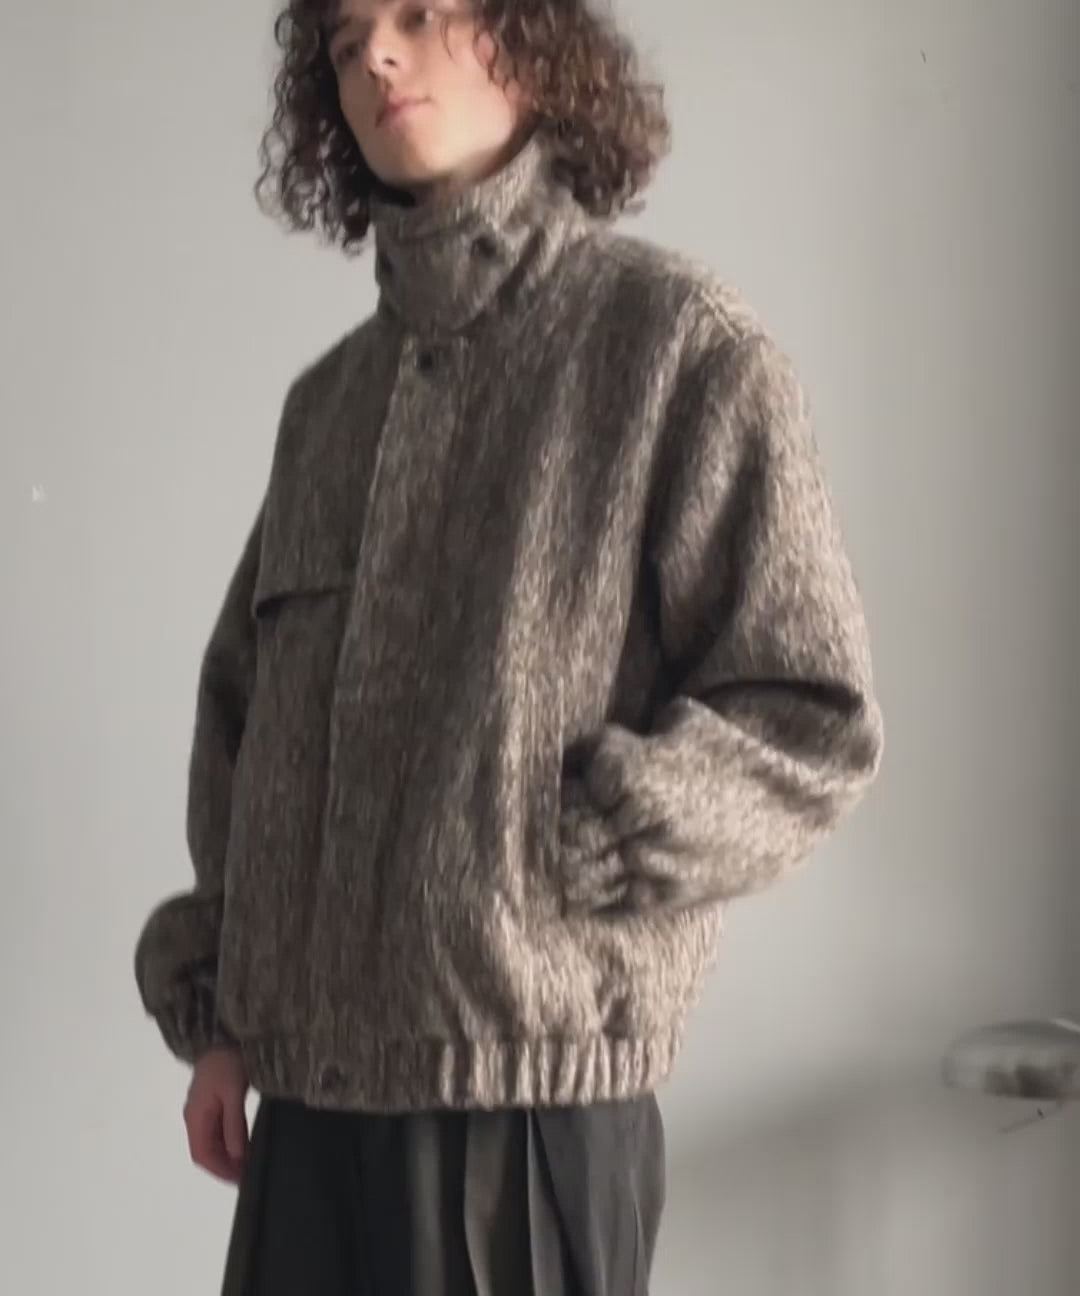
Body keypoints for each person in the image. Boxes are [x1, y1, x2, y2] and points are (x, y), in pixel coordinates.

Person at [133, 1, 885, 1292]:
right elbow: (242, 725)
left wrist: (582, 840)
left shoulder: (672, 346)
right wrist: (224, 1020)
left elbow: (809, 717)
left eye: (419, 14)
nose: (376, 55)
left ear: (529, 43)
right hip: (307, 1114)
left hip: (528, 1116)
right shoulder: (328, 408)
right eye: (346, 40)